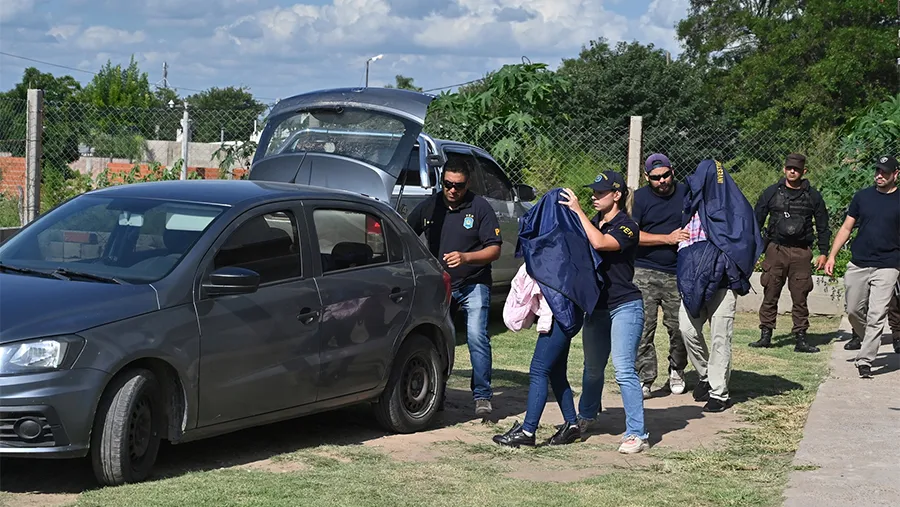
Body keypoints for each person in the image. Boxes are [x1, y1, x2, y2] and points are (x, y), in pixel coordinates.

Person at [493, 188, 604, 447]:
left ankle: (528, 431)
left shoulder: (550, 244)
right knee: (556, 372)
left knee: (538, 369)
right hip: (572, 314)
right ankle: (572, 424)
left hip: (557, 316)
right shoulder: (575, 236)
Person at [559, 171, 649, 454]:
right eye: (593, 192)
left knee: (623, 370)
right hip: (597, 307)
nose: (594, 197)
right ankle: (587, 416)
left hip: (625, 305)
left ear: (617, 195)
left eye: (600, 193)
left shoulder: (627, 226)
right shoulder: (595, 222)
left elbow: (600, 244)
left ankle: (637, 433)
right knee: (592, 369)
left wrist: (578, 211)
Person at [406, 160, 502, 415]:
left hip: (474, 283)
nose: (452, 190)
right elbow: (406, 233)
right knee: (439, 340)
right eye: (447, 184)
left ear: (467, 183)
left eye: (458, 186)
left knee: (476, 337)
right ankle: (437, 392)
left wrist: (466, 257)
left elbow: (494, 249)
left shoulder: (480, 208)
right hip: (441, 286)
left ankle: (482, 395)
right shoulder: (430, 206)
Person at [677, 160, 763, 412]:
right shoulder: (691, 206)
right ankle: (706, 374)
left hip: (724, 284)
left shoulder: (735, 209)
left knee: (720, 336)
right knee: (687, 329)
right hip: (694, 282)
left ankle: (719, 393)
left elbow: (746, 242)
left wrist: (723, 262)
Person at [825, 155, 900, 379]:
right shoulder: (862, 197)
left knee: (877, 314)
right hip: (859, 262)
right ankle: (869, 339)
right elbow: (847, 228)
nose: (880, 175)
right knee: (854, 310)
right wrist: (831, 256)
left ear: (896, 174)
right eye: (878, 171)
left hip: (888, 265)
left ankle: (865, 360)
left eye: (885, 172)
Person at [750, 153, 831, 353]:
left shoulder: (813, 196)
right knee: (770, 291)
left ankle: (801, 338)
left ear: (804, 171)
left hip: (801, 251)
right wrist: (754, 249)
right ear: (784, 169)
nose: (792, 171)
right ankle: (766, 335)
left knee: (800, 295)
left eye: (796, 169)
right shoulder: (771, 193)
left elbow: (823, 226)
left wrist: (823, 252)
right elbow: (755, 221)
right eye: (789, 168)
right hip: (776, 249)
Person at [631, 153, 689, 398]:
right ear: (647, 177)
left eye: (665, 175)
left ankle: (677, 369)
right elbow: (631, 233)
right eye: (656, 178)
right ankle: (645, 378)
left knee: (680, 328)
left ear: (672, 171)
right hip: (644, 269)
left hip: (678, 272)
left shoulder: (686, 193)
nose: (662, 181)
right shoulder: (639, 198)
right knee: (644, 328)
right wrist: (667, 238)